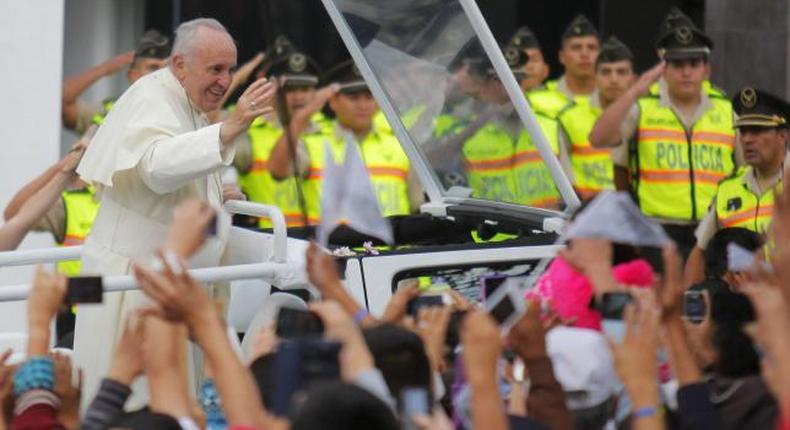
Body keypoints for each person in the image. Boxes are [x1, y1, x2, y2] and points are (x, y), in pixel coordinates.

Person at [72, 17, 277, 409]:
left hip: (167, 285)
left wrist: (215, 193)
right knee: (141, 406)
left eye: (230, 69)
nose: (225, 80)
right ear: (180, 65)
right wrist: (231, 127)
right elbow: (154, 168)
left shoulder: (184, 98)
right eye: (215, 69)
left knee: (176, 401)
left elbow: (177, 169)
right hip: (135, 288)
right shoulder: (154, 98)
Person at [589, 8, 737, 259]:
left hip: (715, 229)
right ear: (664, 69)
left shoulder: (727, 110)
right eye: (678, 63)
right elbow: (598, 138)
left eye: (694, 63)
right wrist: (635, 90)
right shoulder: (642, 107)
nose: (686, 71)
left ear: (706, 70)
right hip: (656, 231)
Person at [268, 59, 422, 223]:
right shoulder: (314, 143)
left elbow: (417, 207)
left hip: (395, 248)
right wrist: (301, 118)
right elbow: (278, 170)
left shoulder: (401, 146)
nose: (363, 105)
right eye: (353, 97)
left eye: (369, 96)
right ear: (333, 101)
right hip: (332, 247)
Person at [685, 88, 790, 284]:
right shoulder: (728, 188)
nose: (748, 139)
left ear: (783, 135)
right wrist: (689, 304)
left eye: (757, 130)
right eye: (743, 131)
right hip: (736, 305)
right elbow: (699, 251)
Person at [234, 37, 331, 228]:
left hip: (322, 244)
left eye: (304, 88)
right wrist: (237, 80)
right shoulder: (250, 133)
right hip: (268, 243)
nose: (298, 97)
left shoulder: (332, 131)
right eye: (290, 89)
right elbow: (205, 131)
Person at [557, 36, 636, 200]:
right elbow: (563, 177)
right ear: (595, 76)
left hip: (633, 213)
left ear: (633, 77)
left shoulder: (644, 117)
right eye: (605, 72)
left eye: (621, 72)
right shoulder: (569, 117)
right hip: (586, 212)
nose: (613, 79)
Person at [62, 29, 171, 133]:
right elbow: (63, 101)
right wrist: (104, 69)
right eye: (153, 68)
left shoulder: (177, 110)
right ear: (133, 75)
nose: (161, 74)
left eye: (166, 68)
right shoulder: (110, 110)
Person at [541, 14, 601, 117]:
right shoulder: (540, 98)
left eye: (591, 48)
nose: (584, 54)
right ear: (562, 57)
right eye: (576, 47)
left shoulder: (617, 99)